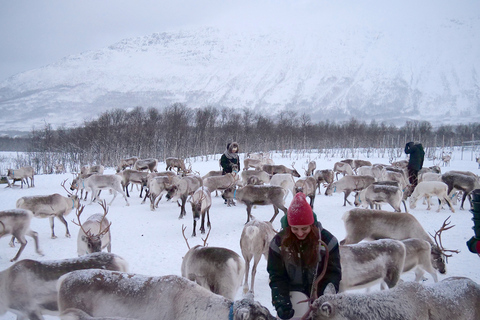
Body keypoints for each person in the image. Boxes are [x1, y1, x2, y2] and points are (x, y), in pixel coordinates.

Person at [267, 192, 342, 320]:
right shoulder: (278, 243)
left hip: (319, 296)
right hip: (293, 296)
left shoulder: (328, 242)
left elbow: (333, 273)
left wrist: (326, 296)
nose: (300, 233)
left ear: (312, 225)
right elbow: (277, 275)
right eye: (295, 229)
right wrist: (280, 300)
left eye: (305, 228)